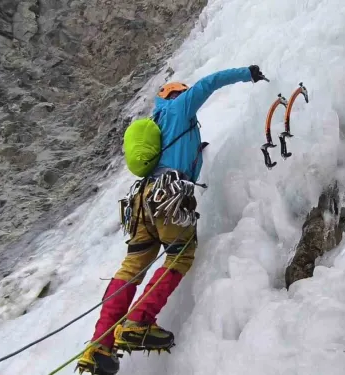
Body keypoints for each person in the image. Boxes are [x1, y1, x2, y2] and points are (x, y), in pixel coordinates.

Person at [77, 65, 268, 375]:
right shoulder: (180, 106)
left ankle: (99, 344)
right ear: (176, 93)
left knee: (131, 268)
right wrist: (248, 73)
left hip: (142, 201)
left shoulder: (158, 122)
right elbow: (210, 82)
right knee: (181, 254)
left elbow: (177, 153)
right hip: (168, 195)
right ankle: (139, 321)